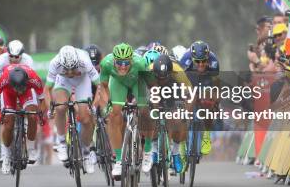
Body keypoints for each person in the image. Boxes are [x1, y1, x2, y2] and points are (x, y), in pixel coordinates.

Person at [93, 43, 154, 179]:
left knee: (145, 111)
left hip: (138, 82)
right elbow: (103, 86)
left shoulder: (141, 63)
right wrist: (107, 105)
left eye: (126, 62)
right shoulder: (106, 64)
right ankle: (119, 160)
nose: (123, 66)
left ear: (131, 60)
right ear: (114, 60)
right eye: (119, 62)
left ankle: (148, 151)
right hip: (118, 83)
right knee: (114, 115)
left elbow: (152, 85)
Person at [45, 45, 100, 173]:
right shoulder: (55, 63)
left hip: (82, 82)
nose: (70, 73)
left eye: (73, 69)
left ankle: (86, 153)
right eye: (66, 69)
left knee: (86, 119)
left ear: (77, 63)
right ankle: (62, 142)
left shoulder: (84, 62)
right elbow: (47, 89)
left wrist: (94, 105)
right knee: (60, 107)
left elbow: (100, 86)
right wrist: (50, 108)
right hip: (63, 82)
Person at [0, 64, 45, 175]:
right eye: (17, 88)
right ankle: (6, 156)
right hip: (8, 94)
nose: (18, 91)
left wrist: (40, 115)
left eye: (21, 88)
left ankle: (31, 148)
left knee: (32, 116)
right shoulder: (4, 79)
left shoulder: (34, 78)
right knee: (8, 123)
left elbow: (43, 100)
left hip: (27, 93)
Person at [148, 54, 191, 175]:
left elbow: (190, 94)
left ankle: (176, 153)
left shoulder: (178, 72)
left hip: (172, 88)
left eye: (164, 78)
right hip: (154, 88)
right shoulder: (149, 71)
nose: (162, 80)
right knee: (150, 115)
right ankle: (155, 150)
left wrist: (186, 112)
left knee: (177, 119)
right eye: (159, 78)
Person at [178, 40, 220, 155]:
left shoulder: (214, 62)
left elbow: (216, 83)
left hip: (206, 79)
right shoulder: (185, 61)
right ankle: (182, 141)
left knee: (210, 104)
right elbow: (179, 82)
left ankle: (206, 135)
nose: (201, 64)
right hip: (189, 79)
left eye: (203, 61)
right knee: (189, 100)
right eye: (197, 61)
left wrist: (215, 99)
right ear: (192, 59)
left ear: (208, 58)